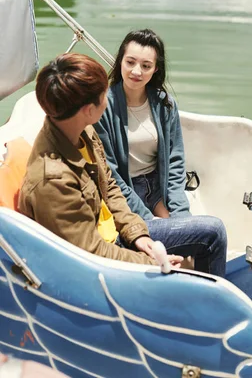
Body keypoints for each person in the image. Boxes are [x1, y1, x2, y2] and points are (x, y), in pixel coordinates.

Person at [18, 53, 182, 269]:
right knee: (212, 235)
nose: (108, 100)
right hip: (100, 265)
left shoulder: (83, 132)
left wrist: (136, 233)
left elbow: (110, 187)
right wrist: (150, 262)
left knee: (209, 230)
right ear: (89, 110)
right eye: (104, 95)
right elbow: (92, 252)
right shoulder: (54, 181)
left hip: (117, 233)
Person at [95, 29, 227, 276]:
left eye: (146, 65)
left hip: (157, 189)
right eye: (130, 62)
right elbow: (110, 174)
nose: (136, 71)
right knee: (167, 248)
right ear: (120, 61)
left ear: (156, 69)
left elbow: (175, 163)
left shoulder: (165, 103)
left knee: (188, 246)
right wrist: (148, 218)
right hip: (124, 192)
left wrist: (180, 214)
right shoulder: (104, 105)